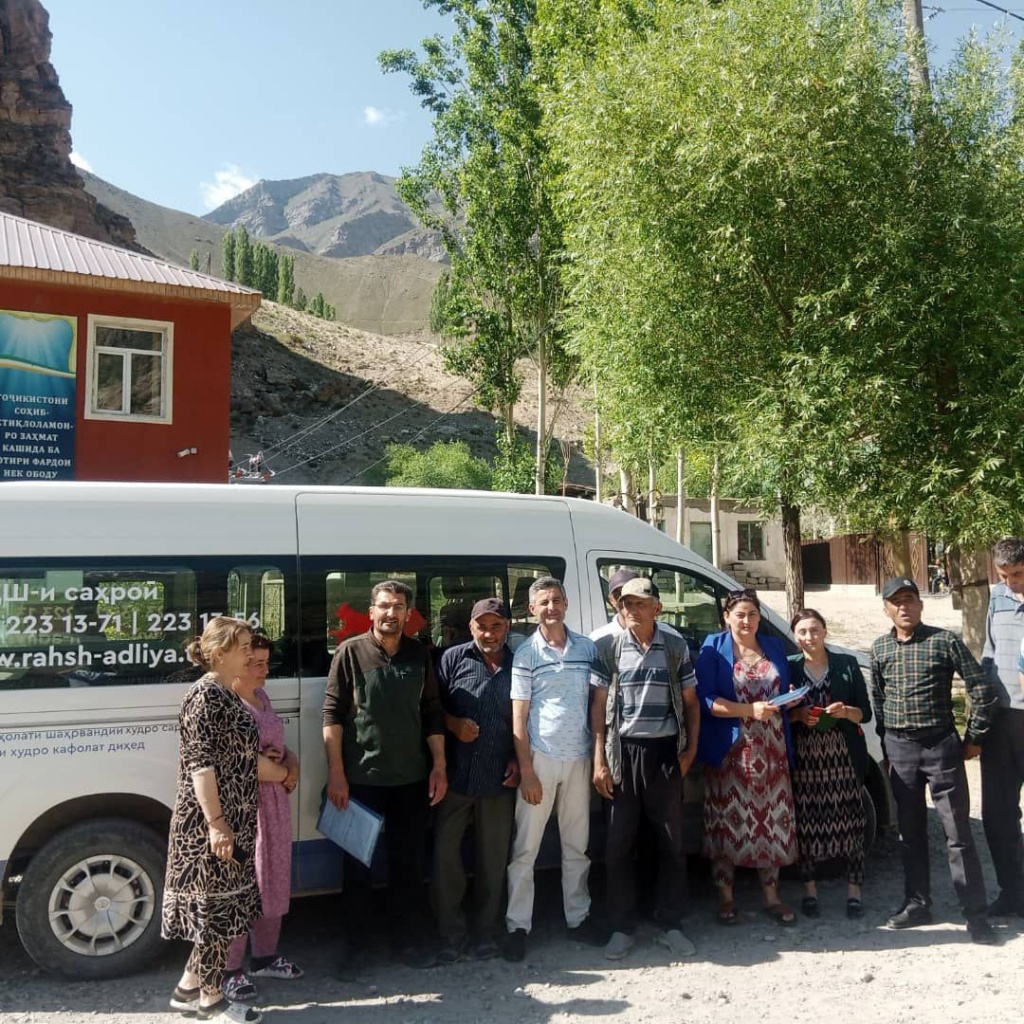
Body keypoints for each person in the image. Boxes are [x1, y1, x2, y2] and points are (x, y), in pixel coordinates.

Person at [322, 579, 447, 967]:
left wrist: (439, 767)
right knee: (357, 869)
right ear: (371, 611)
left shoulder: (418, 654)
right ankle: (356, 949)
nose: (391, 613)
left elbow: (431, 714)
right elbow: (332, 714)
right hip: (361, 781)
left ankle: (405, 943)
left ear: (408, 615)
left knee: (407, 868)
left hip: (410, 780)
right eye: (384, 606)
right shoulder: (350, 652)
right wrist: (337, 775)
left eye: (398, 607)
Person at [870, 576, 999, 943]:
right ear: (886, 608)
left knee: (958, 834)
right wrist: (887, 746)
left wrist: (974, 737)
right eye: (896, 602)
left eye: (910, 600)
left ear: (920, 605)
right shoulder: (879, 649)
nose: (904, 607)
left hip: (941, 748)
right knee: (909, 833)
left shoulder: (944, 642)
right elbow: (879, 701)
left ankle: (975, 915)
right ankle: (917, 903)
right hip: (900, 750)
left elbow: (981, 688)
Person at [591, 577, 701, 960]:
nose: (632, 610)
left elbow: (690, 703)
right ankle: (622, 927)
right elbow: (598, 708)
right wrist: (599, 760)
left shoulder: (674, 646)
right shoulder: (607, 648)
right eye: (626, 604)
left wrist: (688, 752)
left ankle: (671, 923)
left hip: (665, 754)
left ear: (657, 608)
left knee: (671, 843)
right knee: (618, 844)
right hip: (623, 754)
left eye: (640, 603)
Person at [163, 618, 263, 1024]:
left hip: (232, 819)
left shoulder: (225, 692)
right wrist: (217, 823)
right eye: (242, 647)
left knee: (223, 910)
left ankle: (187, 988)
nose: (250, 654)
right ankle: (211, 1000)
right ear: (220, 654)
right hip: (209, 826)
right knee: (217, 915)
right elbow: (200, 766)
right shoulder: (204, 695)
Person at [504, 576, 609, 961]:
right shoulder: (526, 653)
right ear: (532, 609)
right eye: (544, 602)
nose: (552, 607)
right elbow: (519, 716)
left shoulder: (587, 648)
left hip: (579, 757)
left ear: (567, 604)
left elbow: (597, 705)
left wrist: (598, 755)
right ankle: (517, 926)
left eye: (557, 600)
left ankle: (578, 919)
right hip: (541, 759)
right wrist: (527, 769)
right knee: (525, 848)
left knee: (576, 845)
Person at [695, 589, 798, 926]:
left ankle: (772, 897)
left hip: (773, 749)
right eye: (739, 614)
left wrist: (790, 701)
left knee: (772, 823)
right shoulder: (714, 647)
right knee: (729, 824)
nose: (746, 620)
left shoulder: (774, 646)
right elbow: (706, 700)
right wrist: (748, 710)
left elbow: (783, 687)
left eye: (752, 614)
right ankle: (726, 898)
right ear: (726, 616)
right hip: (732, 750)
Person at [432, 598, 519, 963]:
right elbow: (433, 710)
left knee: (493, 860)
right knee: (445, 859)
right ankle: (451, 935)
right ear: (471, 628)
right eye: (481, 626)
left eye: (496, 626)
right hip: (456, 774)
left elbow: (531, 714)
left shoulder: (521, 662)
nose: (489, 633)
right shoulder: (452, 659)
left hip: (500, 777)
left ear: (508, 627)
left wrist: (519, 758)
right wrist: (454, 725)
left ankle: (485, 933)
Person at [223, 634, 302, 1002]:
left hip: (272, 803)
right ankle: (229, 969)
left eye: (266, 663)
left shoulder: (263, 697)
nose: (263, 671)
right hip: (244, 805)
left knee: (271, 877)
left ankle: (266, 955)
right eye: (255, 663)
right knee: (242, 885)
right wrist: (283, 770)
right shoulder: (226, 704)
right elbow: (234, 762)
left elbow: (274, 747)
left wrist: (287, 760)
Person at [787, 609, 871, 919]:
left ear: (825, 630)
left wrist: (846, 710)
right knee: (807, 824)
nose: (810, 637)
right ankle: (809, 891)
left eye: (815, 629)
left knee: (851, 821)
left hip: (842, 755)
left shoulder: (846, 665)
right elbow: (783, 712)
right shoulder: (790, 667)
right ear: (795, 636)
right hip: (806, 756)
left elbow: (866, 712)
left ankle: (854, 892)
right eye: (803, 632)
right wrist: (799, 715)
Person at [979, 538, 1024, 917]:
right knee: (998, 811)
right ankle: (1013, 892)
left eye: (1018, 575)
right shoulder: (997, 596)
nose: (1011, 582)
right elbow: (989, 651)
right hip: (1002, 718)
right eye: (1004, 575)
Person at [590, 568, 681, 641]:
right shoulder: (599, 639)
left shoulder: (671, 637)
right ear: (611, 600)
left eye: (631, 594)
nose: (624, 600)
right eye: (618, 594)